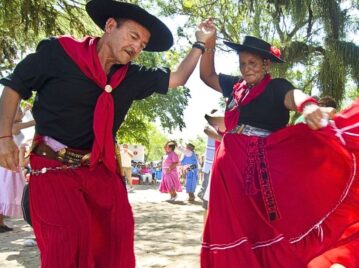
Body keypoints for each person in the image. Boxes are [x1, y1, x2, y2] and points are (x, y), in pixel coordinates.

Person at [0, 1, 215, 266]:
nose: (136, 48)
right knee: (68, 241)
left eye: (142, 45)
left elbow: (179, 77)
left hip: (99, 170)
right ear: (110, 26)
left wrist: (200, 43)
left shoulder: (131, 77)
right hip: (52, 168)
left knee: (116, 233)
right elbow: (14, 86)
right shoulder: (59, 52)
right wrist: (4, 139)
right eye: (133, 37)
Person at [199, 22, 359, 268]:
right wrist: (207, 45)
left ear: (266, 64)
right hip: (227, 172)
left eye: (252, 63)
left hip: (260, 172)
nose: (246, 68)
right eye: (242, 63)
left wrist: (308, 105)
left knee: (261, 226)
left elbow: (292, 96)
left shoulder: (276, 87)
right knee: (228, 226)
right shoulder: (235, 87)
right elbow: (207, 76)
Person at [0, 105, 34, 233]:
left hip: (13, 165)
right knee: (5, 194)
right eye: (17, 110)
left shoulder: (14, 125)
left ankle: (1, 223)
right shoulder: (13, 127)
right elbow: (32, 122)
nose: (20, 112)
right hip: (9, 167)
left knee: (6, 194)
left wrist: (25, 111)